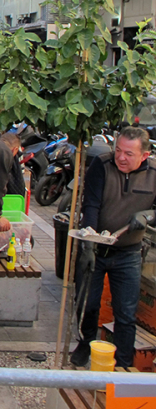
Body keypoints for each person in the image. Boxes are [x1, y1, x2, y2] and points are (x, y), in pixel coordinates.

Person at [70, 126, 156, 368]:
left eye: (129, 153)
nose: (121, 157)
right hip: (97, 247)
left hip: (129, 251)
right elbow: (91, 206)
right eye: (118, 150)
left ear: (144, 155)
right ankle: (85, 342)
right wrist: (88, 244)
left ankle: (123, 362)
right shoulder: (102, 165)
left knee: (126, 312)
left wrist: (147, 216)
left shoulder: (154, 174)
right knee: (88, 303)